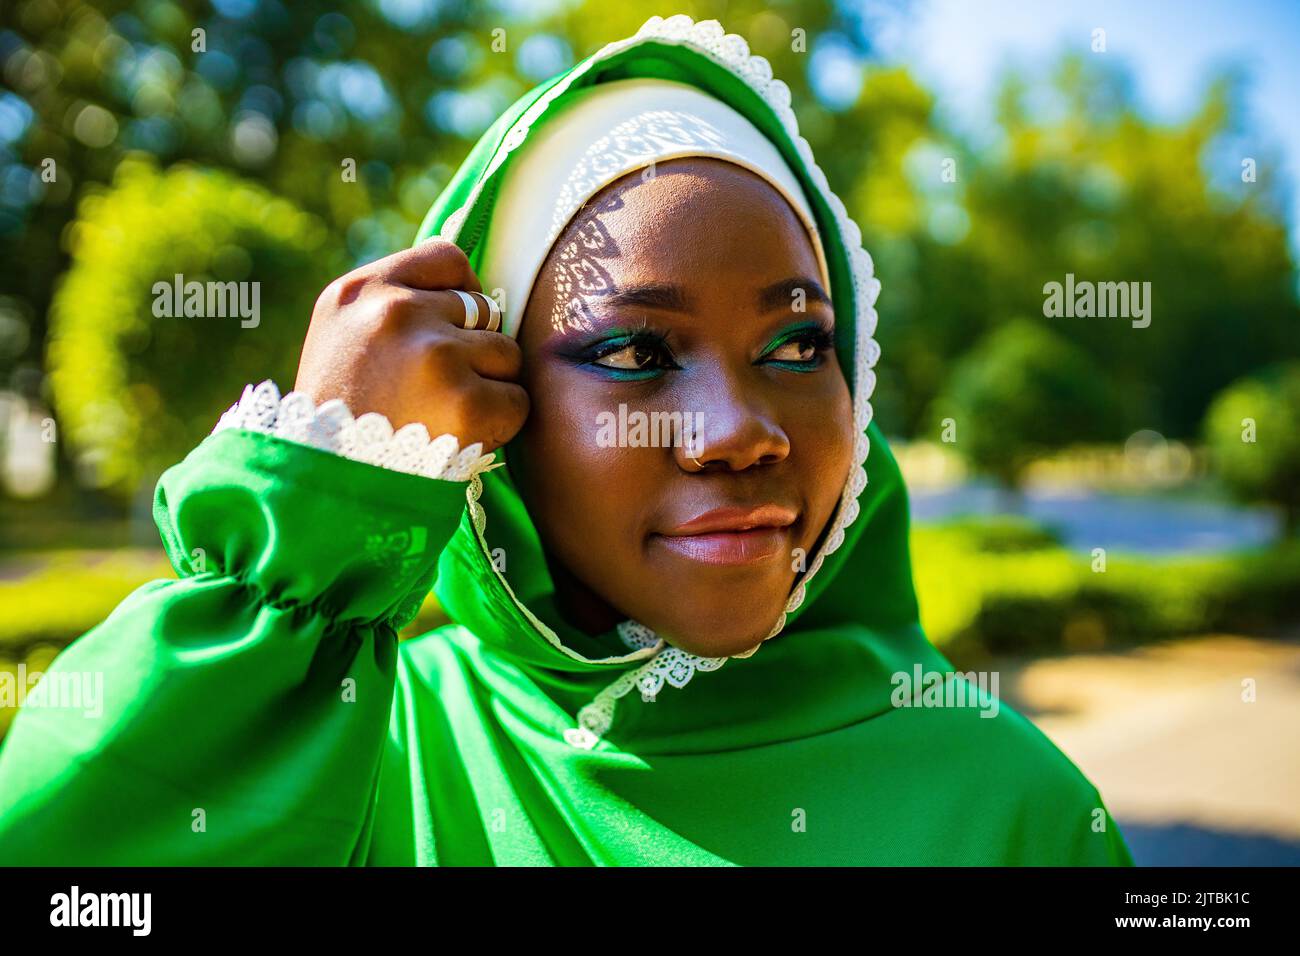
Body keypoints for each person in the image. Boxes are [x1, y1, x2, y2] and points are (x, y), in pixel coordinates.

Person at [0, 14, 1133, 866]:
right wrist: (314, 499)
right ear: (488, 413)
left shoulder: (1009, 804)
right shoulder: (363, 741)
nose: (737, 432)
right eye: (636, 354)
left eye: (797, 344)